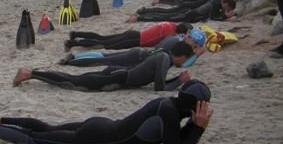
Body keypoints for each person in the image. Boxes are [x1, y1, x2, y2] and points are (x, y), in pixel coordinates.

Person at [0, 80, 213, 144]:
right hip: (97, 139)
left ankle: (1, 119)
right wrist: (197, 127)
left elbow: (173, 139)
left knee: (48, 128)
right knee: (34, 140)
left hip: (102, 125)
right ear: (195, 106)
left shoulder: (167, 104)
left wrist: (192, 125)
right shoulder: (170, 113)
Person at [13, 41, 194, 92]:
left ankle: (31, 74)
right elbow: (159, 88)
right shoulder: (164, 59)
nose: (185, 63)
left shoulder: (164, 56)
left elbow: (157, 81)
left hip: (120, 74)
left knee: (75, 80)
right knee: (73, 82)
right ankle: (30, 74)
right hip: (118, 76)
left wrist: (177, 79)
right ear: (181, 56)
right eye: (186, 59)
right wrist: (179, 81)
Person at [61, 28, 206, 68]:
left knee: (105, 48)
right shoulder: (177, 42)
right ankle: (72, 49)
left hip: (138, 45)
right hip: (139, 51)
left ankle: (74, 45)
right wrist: (196, 55)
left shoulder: (175, 36)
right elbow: (181, 64)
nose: (193, 47)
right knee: (104, 48)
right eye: (194, 45)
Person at [65, 22, 192, 50]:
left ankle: (75, 34)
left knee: (103, 38)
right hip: (135, 40)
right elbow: (162, 46)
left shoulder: (170, 24)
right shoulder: (170, 33)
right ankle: (72, 43)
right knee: (105, 44)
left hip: (135, 34)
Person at [126, 0, 236, 23]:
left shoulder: (215, 2)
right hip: (189, 15)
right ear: (225, 3)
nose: (227, 9)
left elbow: (213, 14)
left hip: (188, 12)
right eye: (228, 8)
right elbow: (213, 17)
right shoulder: (215, 4)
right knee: (164, 17)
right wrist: (225, 16)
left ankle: (142, 13)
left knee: (165, 15)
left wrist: (224, 14)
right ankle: (139, 17)